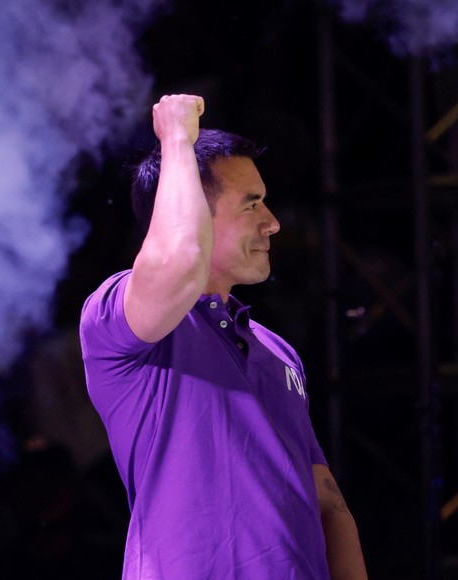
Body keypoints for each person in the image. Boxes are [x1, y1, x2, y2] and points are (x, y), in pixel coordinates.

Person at [79, 94, 367, 579]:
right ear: (189, 210)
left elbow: (329, 505)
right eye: (251, 204)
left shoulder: (279, 352)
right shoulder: (116, 317)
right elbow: (178, 261)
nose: (272, 222)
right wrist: (175, 138)